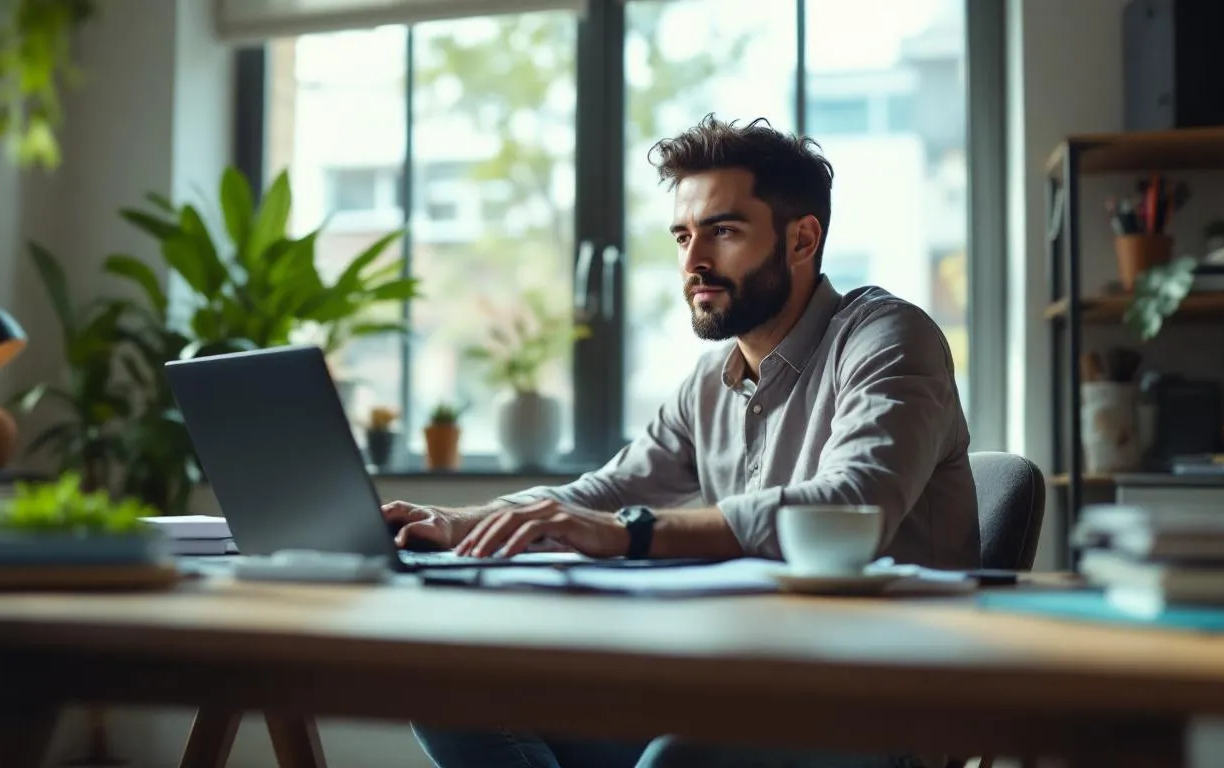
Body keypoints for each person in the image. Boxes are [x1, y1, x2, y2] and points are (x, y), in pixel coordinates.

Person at [381, 115, 979, 768]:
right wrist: (460, 521)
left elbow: (854, 502)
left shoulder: (889, 337)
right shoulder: (709, 382)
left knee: (679, 758)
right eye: (682, 235)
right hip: (747, 684)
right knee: (449, 691)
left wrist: (629, 532)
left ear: (802, 239)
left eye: (722, 232)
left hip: (875, 707)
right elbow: (603, 492)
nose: (693, 262)